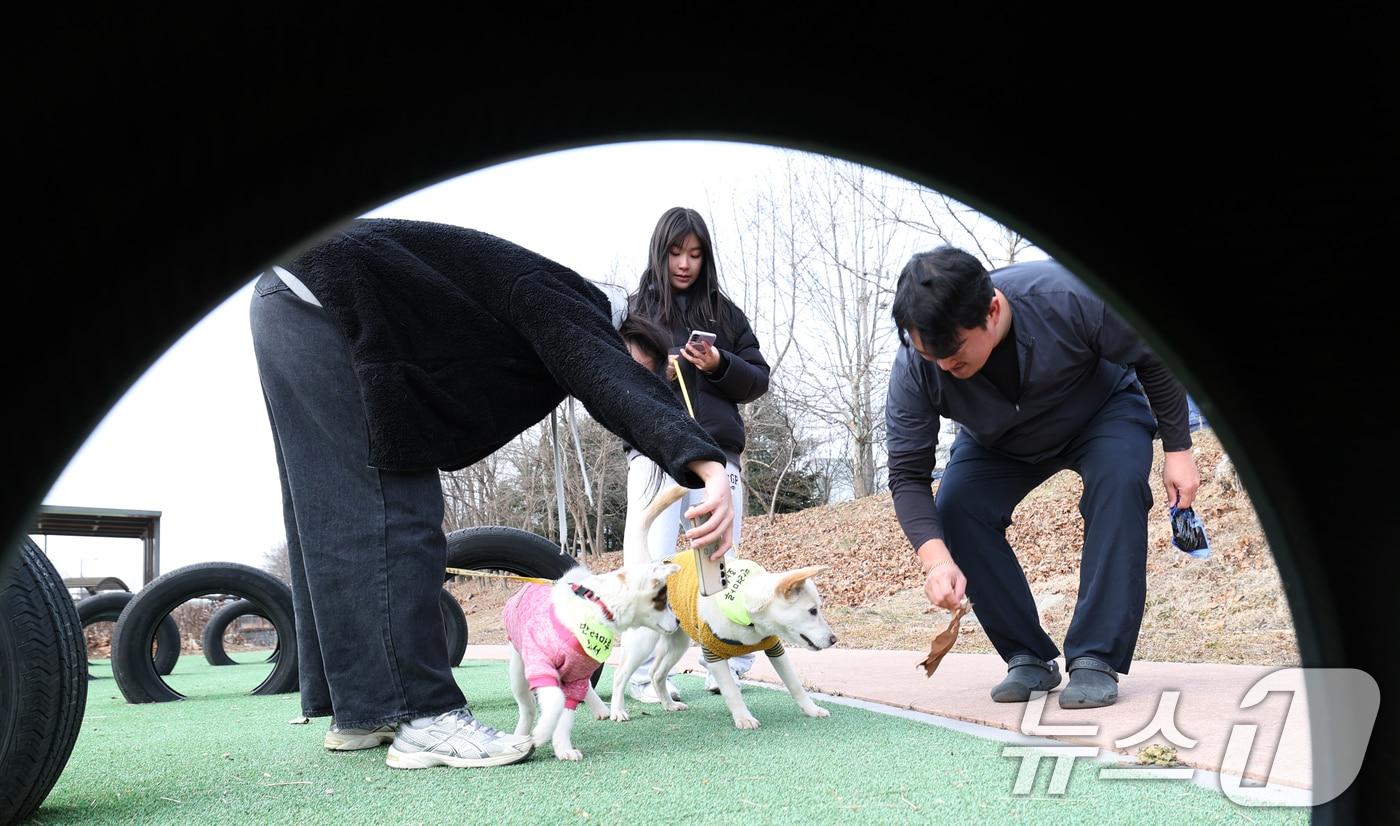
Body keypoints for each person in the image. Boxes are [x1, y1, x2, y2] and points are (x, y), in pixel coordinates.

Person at [249, 217, 735, 770]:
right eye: (634, 369)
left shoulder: (529, 307)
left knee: (335, 510)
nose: (625, 383)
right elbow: (606, 374)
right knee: (400, 505)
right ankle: (424, 714)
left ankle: (365, 711)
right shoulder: (571, 300)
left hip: (293, 296)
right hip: (333, 295)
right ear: (619, 333)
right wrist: (706, 464)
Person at [885, 247, 1199, 709]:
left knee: (1118, 482)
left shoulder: (1067, 295)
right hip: (997, 441)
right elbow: (907, 475)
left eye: (953, 353)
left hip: (1101, 411)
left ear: (992, 310)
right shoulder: (917, 366)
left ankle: (1096, 657)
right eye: (929, 355)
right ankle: (1028, 656)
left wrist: (1178, 450)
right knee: (957, 507)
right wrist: (936, 562)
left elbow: (1153, 353)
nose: (943, 367)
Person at [620, 207, 770, 702]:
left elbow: (758, 379)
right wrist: (653, 373)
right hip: (654, 454)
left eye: (695, 254)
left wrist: (719, 362)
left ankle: (726, 662)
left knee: (720, 562)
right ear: (659, 252)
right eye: (675, 252)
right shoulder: (635, 312)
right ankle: (641, 675)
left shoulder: (725, 314)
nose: (685, 263)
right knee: (651, 563)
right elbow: (613, 382)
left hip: (720, 455)